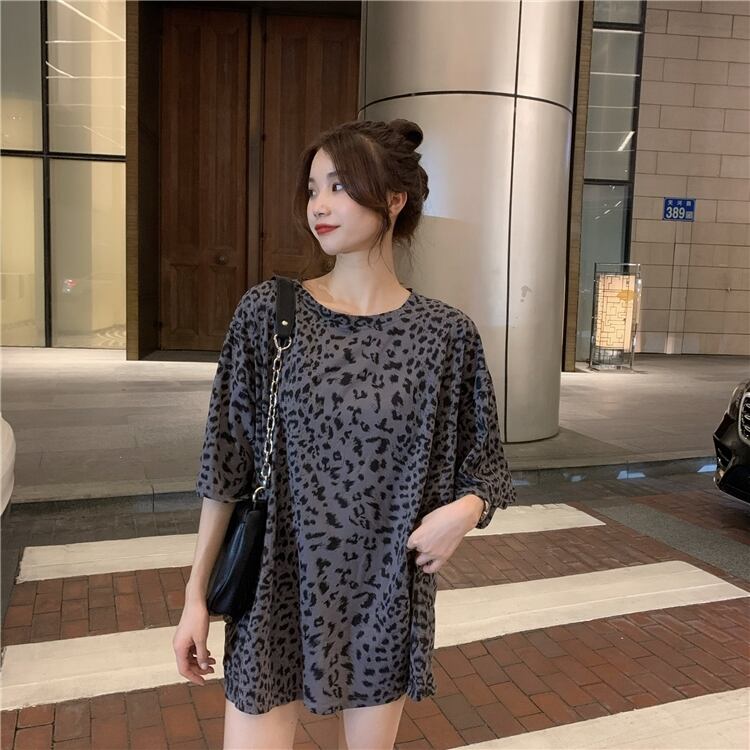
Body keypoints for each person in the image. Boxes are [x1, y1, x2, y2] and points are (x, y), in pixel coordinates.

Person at [173, 118, 517, 750]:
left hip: (383, 590)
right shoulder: (270, 313)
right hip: (275, 586)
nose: (319, 206)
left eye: (339, 186)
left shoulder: (445, 335)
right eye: (312, 189)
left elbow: (487, 463)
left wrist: (465, 511)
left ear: (394, 199)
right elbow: (226, 463)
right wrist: (195, 595)